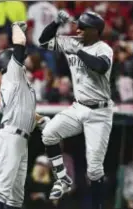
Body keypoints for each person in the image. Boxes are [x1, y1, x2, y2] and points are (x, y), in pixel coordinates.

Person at [39, 10, 114, 209]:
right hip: (78, 107)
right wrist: (56, 23)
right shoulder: (73, 41)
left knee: (94, 170)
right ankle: (63, 179)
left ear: (95, 31)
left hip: (99, 113)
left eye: (83, 27)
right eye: (77, 25)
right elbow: (43, 42)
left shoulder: (103, 48)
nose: (78, 29)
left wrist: (78, 50)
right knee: (48, 134)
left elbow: (100, 66)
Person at [0, 21, 50, 209]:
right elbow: (20, 43)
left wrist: (42, 121)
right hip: (10, 136)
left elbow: (27, 113)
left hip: (21, 139)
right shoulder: (12, 74)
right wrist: (17, 26)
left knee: (15, 199)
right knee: (1, 191)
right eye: (18, 61)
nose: (23, 63)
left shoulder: (22, 85)